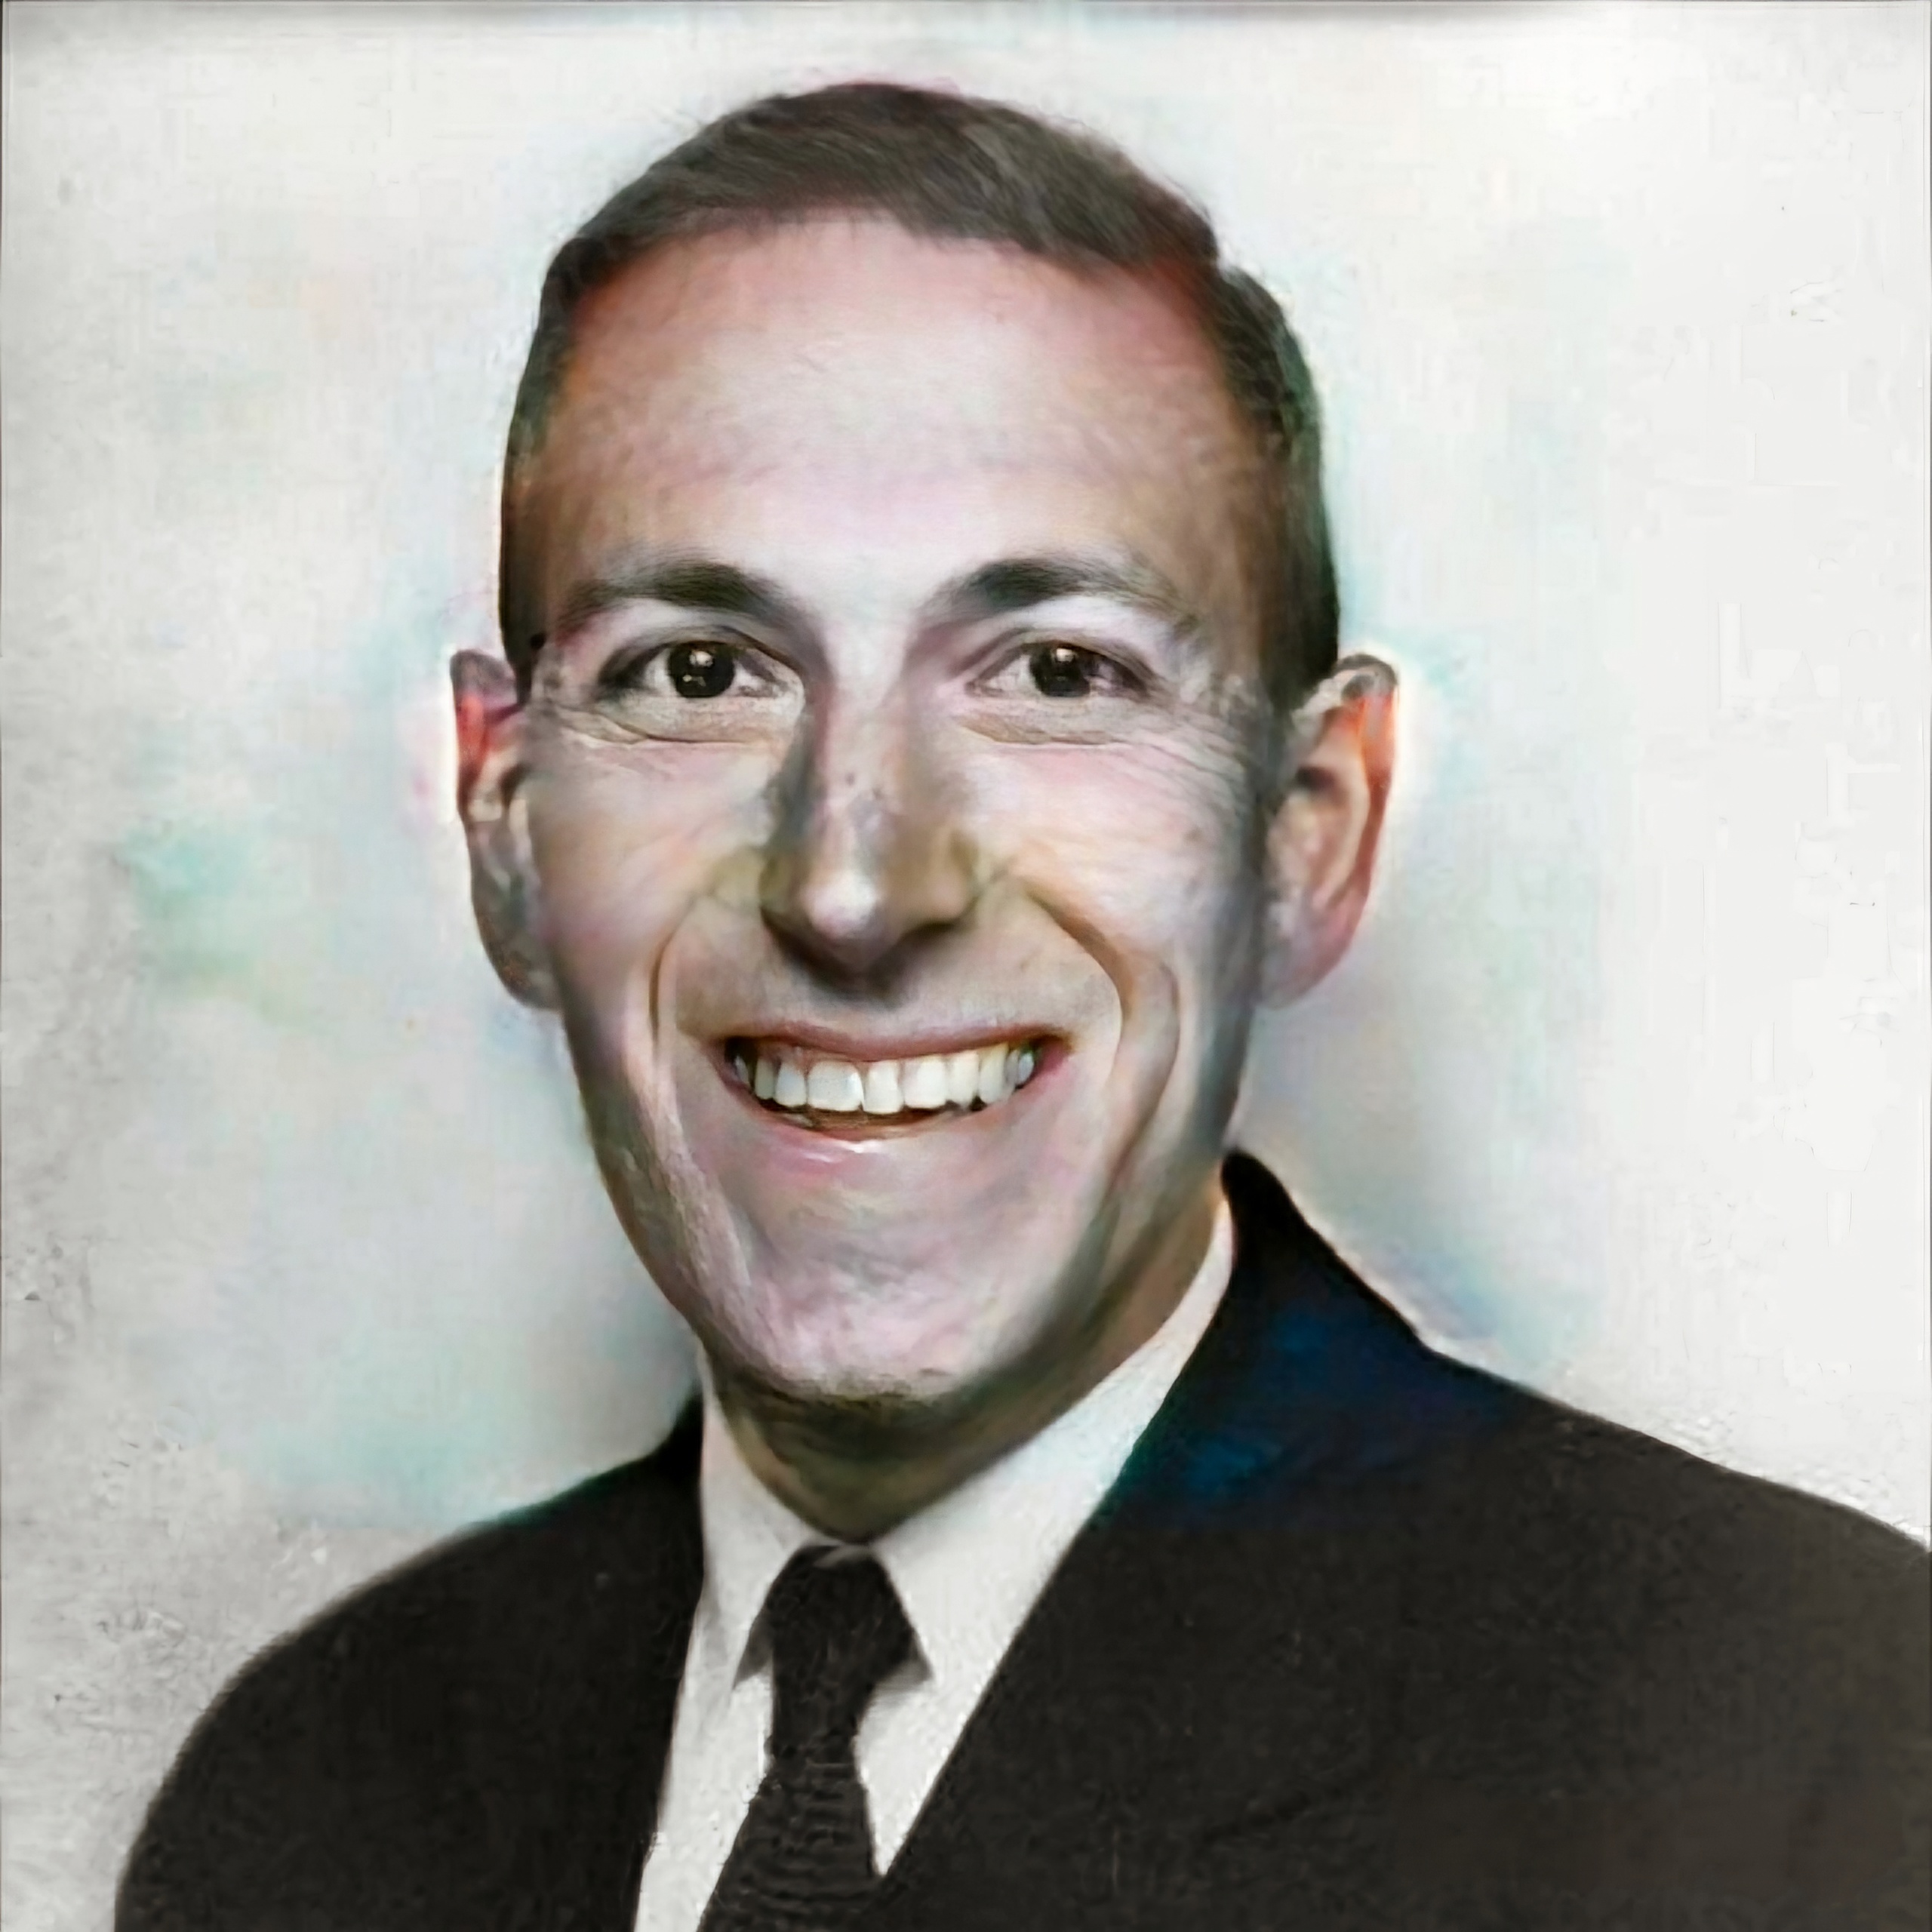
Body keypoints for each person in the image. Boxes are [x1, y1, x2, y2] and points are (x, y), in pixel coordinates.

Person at [118, 82, 1925, 1932]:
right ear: (505, 829)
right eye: (701, 670)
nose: (850, 881)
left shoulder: (1805, 1749)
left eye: (1056, 668)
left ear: (1304, 833)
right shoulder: (300, 1798)